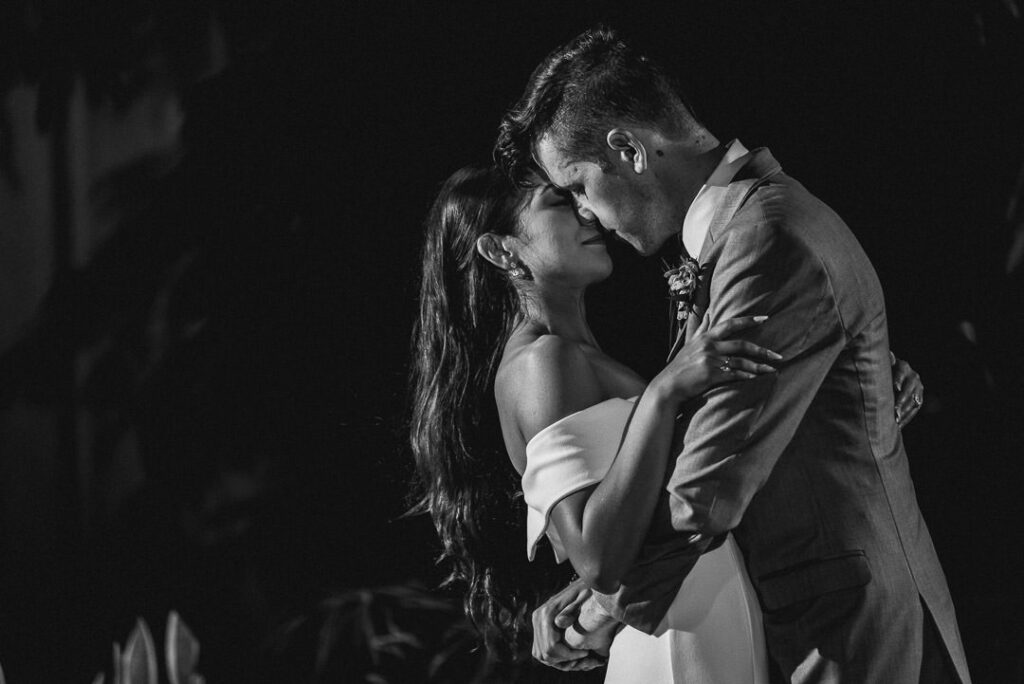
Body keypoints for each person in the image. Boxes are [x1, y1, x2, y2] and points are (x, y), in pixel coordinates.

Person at [494, 26, 970, 683]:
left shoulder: (766, 241)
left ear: (627, 149)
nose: (587, 212)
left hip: (856, 639)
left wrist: (601, 605)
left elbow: (707, 486)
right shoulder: (738, 238)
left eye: (577, 185)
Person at [409, 164, 927, 682]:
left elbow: (651, 506)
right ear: (501, 251)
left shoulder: (577, 356)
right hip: (678, 639)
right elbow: (594, 554)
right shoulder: (541, 363)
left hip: (708, 611)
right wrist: (663, 391)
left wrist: (852, 374)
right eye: (557, 203)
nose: (585, 212)